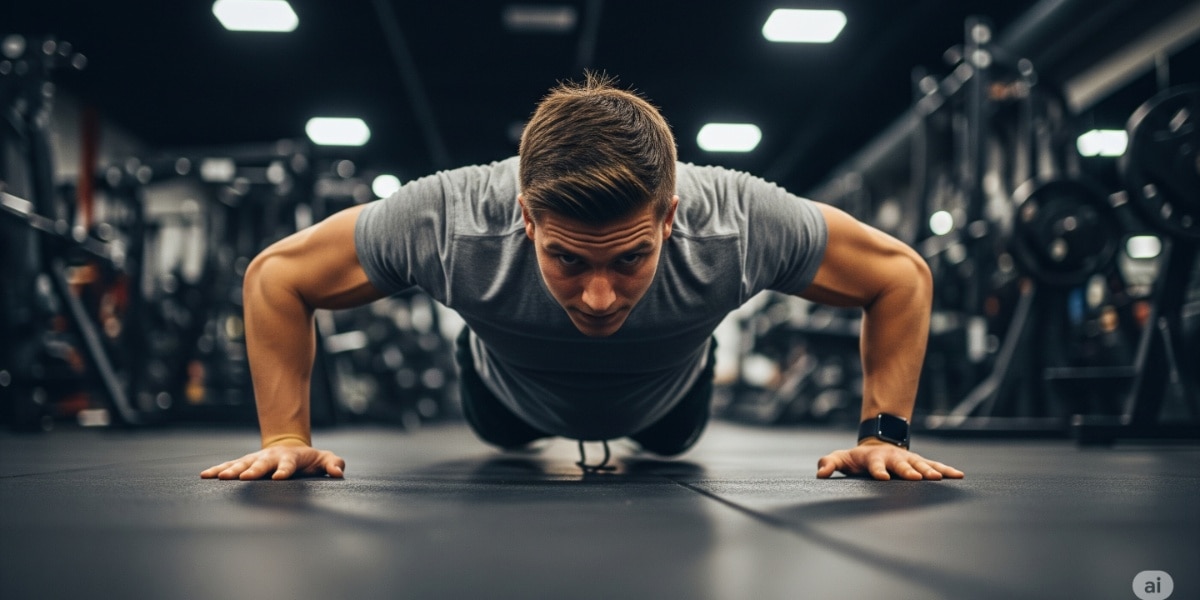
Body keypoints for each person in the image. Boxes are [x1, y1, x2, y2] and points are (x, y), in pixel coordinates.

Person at [201, 73, 964, 482]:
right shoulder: (448, 216)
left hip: (670, 409)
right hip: (504, 404)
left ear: (670, 218)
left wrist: (881, 435)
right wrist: (286, 437)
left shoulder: (740, 218)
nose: (599, 298)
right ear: (525, 218)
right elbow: (277, 275)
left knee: (667, 446)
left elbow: (899, 274)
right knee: (504, 435)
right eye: (568, 258)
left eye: (629, 257)